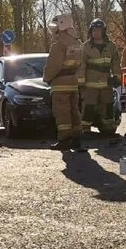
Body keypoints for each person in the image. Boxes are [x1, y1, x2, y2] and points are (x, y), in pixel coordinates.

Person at [43, 14, 85, 151]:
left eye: (55, 27)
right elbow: (80, 64)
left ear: (61, 27)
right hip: (73, 83)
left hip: (60, 83)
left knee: (62, 112)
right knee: (74, 110)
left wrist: (47, 78)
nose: (53, 30)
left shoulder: (59, 45)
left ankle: (64, 139)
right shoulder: (77, 43)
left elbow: (53, 66)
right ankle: (77, 137)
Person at [80, 18, 121, 142]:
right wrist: (81, 83)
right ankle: (85, 129)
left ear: (103, 31)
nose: (95, 33)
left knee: (108, 106)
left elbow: (115, 63)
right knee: (88, 106)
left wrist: (117, 77)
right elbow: (81, 65)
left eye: (98, 30)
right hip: (90, 83)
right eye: (93, 30)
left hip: (106, 83)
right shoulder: (86, 47)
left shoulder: (111, 46)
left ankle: (108, 129)